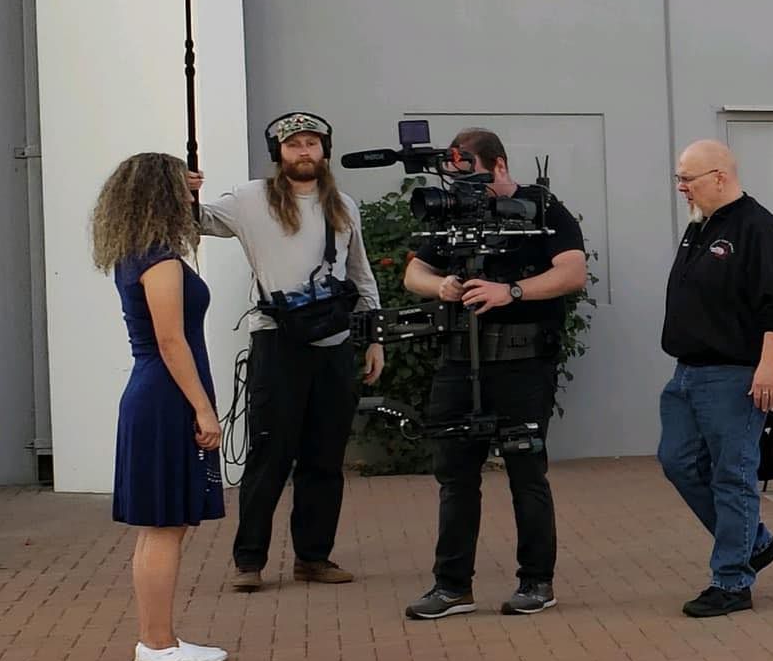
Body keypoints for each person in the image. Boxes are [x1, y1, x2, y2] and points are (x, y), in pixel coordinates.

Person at [400, 129, 587, 620]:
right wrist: (441, 285)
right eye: (456, 179)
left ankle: (536, 581)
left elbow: (572, 272)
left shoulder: (542, 208)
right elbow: (413, 273)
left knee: (526, 472)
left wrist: (512, 292)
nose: (465, 190)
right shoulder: (451, 214)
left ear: (499, 165)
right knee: (455, 477)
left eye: (473, 178)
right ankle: (451, 587)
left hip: (523, 362)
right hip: (459, 361)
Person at [192, 113, 383, 592]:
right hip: (277, 342)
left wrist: (375, 336)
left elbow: (360, 274)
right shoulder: (251, 199)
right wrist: (185, 190)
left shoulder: (343, 206)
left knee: (325, 457)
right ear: (278, 152)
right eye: (294, 143)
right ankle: (249, 561)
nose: (303, 151)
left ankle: (313, 558)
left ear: (325, 150)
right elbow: (197, 222)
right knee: (269, 454)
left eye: (312, 143)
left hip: (334, 345)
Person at [93, 153, 230, 661]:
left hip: (155, 393)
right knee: (164, 524)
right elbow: (172, 341)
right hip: (166, 396)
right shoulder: (159, 259)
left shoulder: (136, 253)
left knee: (162, 524)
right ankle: (157, 644)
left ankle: (157, 640)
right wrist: (204, 409)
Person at [659, 140, 773, 617]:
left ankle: (732, 582)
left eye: (688, 179)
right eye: (679, 178)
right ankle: (753, 542)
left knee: (732, 475)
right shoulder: (701, 225)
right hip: (687, 373)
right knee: (678, 461)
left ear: (719, 176)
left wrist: (769, 365)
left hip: (734, 375)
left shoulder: (759, 229)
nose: (681, 187)